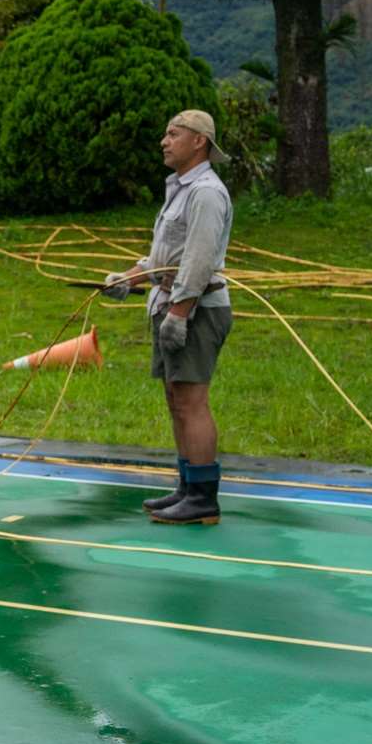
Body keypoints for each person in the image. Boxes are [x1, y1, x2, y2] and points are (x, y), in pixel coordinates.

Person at [102, 109, 234, 525]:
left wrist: (180, 313)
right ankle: (188, 485)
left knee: (192, 400)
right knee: (176, 398)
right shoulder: (179, 189)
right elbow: (167, 255)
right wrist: (131, 276)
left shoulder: (206, 193)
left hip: (194, 311)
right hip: (169, 305)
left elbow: (197, 261)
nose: (164, 140)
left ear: (199, 142)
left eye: (173, 134)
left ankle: (203, 498)